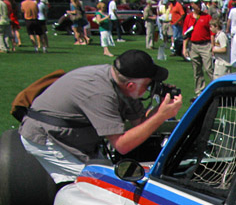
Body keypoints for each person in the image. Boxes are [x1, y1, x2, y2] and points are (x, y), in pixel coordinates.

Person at [19, 50, 183, 184]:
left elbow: (139, 125)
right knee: (98, 183)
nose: (152, 88)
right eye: (149, 84)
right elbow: (122, 145)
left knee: (107, 175)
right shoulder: (100, 93)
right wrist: (161, 116)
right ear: (131, 85)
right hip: (48, 136)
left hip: (73, 135)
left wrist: (160, 110)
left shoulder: (119, 81)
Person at [185, 0, 213, 95]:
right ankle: (199, 91)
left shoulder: (207, 17)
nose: (198, 5)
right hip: (193, 45)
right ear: (192, 4)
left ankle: (215, 87)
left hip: (205, 45)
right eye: (196, 3)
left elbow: (212, 33)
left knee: (209, 68)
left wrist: (212, 46)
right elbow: (186, 34)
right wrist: (184, 48)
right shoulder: (188, 18)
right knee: (197, 70)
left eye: (199, 3)